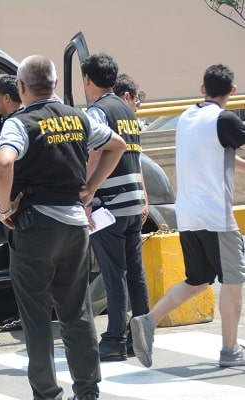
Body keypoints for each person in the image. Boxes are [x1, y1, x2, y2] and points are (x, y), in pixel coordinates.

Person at [0, 55, 126, 400]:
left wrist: (4, 209)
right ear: (54, 84)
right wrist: (91, 188)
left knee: (36, 317)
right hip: (75, 225)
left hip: (34, 227)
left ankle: (48, 394)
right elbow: (117, 145)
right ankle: (87, 391)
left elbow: (4, 163)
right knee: (77, 313)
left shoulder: (19, 123)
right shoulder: (78, 116)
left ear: (21, 87)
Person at [131, 64, 245, 369]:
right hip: (216, 216)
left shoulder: (187, 118)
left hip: (188, 215)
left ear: (202, 88)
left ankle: (148, 320)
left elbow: (220, 153)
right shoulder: (224, 119)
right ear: (233, 91)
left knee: (198, 280)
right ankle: (230, 349)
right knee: (233, 279)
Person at [81, 53, 149, 362]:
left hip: (108, 204)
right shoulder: (127, 110)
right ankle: (140, 335)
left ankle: (115, 339)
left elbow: (95, 154)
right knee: (135, 272)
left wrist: (87, 195)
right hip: (133, 203)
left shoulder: (97, 111)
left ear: (88, 80)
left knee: (114, 273)